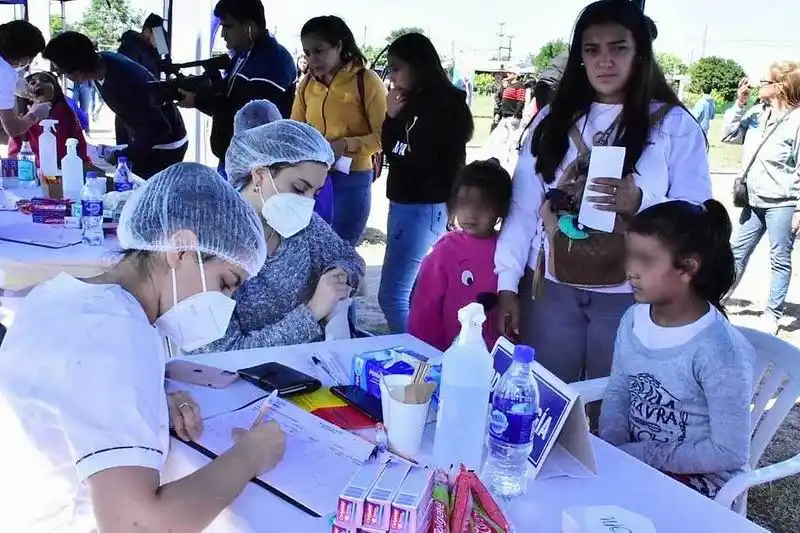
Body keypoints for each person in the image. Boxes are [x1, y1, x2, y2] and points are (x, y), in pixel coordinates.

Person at [0, 163, 288, 532]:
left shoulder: (59, 293)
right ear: (181, 249)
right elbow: (137, 526)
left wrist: (145, 397)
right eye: (226, 283)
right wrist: (250, 456)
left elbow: (71, 388)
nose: (226, 303)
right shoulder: (119, 332)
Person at [495, 0, 711, 385]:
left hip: (629, 291)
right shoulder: (552, 120)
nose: (604, 61)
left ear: (640, 52)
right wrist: (507, 286)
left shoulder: (675, 125)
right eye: (592, 50)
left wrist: (642, 204)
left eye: (618, 47)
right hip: (550, 285)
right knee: (543, 394)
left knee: (610, 405)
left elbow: (697, 213)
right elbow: (523, 206)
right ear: (579, 56)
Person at [600, 199, 753, 500]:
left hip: (698, 482)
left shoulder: (720, 351)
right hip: (635, 460)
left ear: (688, 268)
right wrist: (612, 444)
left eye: (645, 260)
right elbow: (619, 389)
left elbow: (729, 451)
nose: (631, 270)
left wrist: (640, 455)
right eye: (630, 256)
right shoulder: (633, 319)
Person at [194, 120, 366, 352]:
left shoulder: (304, 226)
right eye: (298, 188)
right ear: (259, 174)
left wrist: (339, 275)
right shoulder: (213, 243)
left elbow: (351, 259)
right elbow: (224, 354)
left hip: (312, 368)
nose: (307, 202)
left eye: (316, 192)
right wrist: (313, 311)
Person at [377, 32, 473, 333]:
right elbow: (397, 151)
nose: (391, 76)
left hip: (421, 205)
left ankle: (412, 359)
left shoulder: (439, 106)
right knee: (416, 293)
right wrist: (391, 119)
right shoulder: (419, 101)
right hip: (419, 203)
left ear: (418, 66)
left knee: (392, 295)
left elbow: (409, 155)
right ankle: (421, 354)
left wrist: (392, 124)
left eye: (396, 68)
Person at [292, 15, 387, 246]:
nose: (312, 59)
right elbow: (295, 131)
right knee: (310, 252)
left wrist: (346, 145)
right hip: (313, 179)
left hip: (352, 179)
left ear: (339, 46)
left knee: (341, 254)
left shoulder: (366, 81)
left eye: (319, 51)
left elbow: (383, 136)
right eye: (307, 52)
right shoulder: (306, 84)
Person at [722, 63, 800, 335]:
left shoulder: (797, 120)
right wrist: (740, 104)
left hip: (783, 202)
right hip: (753, 200)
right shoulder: (756, 113)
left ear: (780, 86)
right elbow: (728, 136)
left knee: (780, 259)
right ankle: (718, 298)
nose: (757, 84)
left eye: (764, 80)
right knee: (736, 252)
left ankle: (773, 313)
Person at [44, 32, 187, 179]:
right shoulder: (103, 62)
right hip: (151, 139)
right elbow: (125, 113)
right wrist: (122, 148)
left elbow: (160, 129)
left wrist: (123, 155)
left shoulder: (121, 81)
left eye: (60, 71)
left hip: (164, 147)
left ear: (76, 71)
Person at [179, 0, 295, 173]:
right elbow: (229, 96)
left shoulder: (271, 62)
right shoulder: (246, 55)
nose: (223, 34)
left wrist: (198, 100)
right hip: (236, 159)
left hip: (255, 167)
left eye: (228, 26)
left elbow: (246, 118)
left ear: (250, 28)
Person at [409, 159, 512, 351]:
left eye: (483, 205)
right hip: (448, 355)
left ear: (500, 208)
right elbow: (424, 309)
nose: (471, 213)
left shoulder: (510, 249)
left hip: (497, 358)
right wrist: (428, 353)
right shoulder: (444, 251)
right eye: (464, 203)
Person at [8, 72, 90, 167]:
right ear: (27, 95)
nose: (38, 83)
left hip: (63, 170)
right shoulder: (23, 120)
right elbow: (13, 154)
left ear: (55, 89)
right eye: (33, 82)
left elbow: (80, 145)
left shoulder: (66, 113)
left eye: (45, 80)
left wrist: (83, 164)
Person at [117, 13, 165, 145]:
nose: (159, 39)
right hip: (130, 110)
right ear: (147, 31)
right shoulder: (130, 47)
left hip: (149, 107)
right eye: (157, 35)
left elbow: (160, 66)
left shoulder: (151, 50)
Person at [0, 20, 51, 139]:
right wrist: (34, 115)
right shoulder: (5, 72)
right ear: (26, 57)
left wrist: (18, 87)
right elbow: (13, 128)